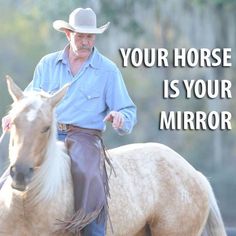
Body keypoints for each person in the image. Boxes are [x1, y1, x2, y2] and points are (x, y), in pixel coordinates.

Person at [1, 7, 136, 236]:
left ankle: (93, 232)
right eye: (80, 36)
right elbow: (29, 100)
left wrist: (121, 118)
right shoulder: (47, 64)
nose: (85, 42)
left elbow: (128, 110)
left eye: (90, 36)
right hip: (46, 134)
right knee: (8, 176)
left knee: (87, 174)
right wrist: (14, 115)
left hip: (84, 136)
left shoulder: (107, 71)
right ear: (68, 34)